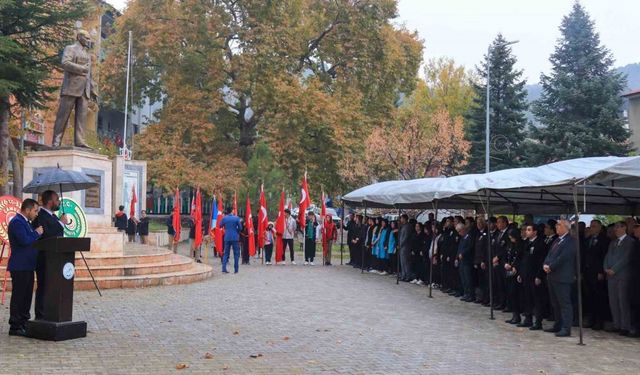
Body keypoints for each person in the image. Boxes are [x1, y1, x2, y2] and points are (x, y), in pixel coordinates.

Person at [7, 199, 43, 336]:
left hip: (28, 265)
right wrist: (36, 233)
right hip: (20, 266)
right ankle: (15, 326)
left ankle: (23, 322)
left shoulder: (26, 223)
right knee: (19, 296)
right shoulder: (17, 222)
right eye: (35, 211)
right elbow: (25, 240)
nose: (36, 214)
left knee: (27, 296)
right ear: (27, 210)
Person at [32, 190, 69, 320]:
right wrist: (61, 223)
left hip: (56, 259)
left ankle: (50, 312)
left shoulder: (53, 216)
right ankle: (41, 315)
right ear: (49, 202)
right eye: (57, 199)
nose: (59, 202)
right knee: (44, 286)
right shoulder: (40, 216)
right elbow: (47, 234)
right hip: (45, 258)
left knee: (52, 287)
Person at [543, 219, 576, 337]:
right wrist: (545, 264)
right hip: (552, 276)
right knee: (555, 303)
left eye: (559, 225)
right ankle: (558, 324)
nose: (556, 227)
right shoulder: (557, 240)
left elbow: (563, 257)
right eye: (556, 225)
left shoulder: (570, 241)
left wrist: (551, 266)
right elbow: (549, 255)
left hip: (562, 277)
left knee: (564, 303)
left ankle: (566, 328)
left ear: (566, 227)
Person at [603, 221, 635, 336]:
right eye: (615, 227)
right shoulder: (613, 242)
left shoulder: (630, 242)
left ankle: (625, 326)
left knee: (623, 301)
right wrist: (606, 267)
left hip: (622, 275)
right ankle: (616, 324)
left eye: (617, 227)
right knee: (613, 301)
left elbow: (626, 258)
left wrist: (614, 269)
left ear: (624, 228)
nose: (615, 230)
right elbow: (607, 256)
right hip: (611, 276)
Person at [519, 223, 548, 330]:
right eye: (526, 230)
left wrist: (539, 276)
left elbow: (542, 261)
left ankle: (538, 321)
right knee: (527, 298)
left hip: (535, 275)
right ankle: (528, 318)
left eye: (529, 230)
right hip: (526, 274)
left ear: (535, 232)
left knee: (537, 299)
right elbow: (523, 260)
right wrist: (520, 274)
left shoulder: (541, 244)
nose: (527, 231)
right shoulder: (526, 243)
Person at [583, 220, 610, 330]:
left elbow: (604, 256)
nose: (592, 228)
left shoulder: (604, 240)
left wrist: (601, 271)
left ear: (599, 227)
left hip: (597, 272)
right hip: (588, 272)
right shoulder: (588, 240)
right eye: (591, 226)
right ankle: (592, 319)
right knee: (590, 297)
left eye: (594, 226)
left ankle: (599, 321)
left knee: (599, 297)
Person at [504, 228, 524, 324]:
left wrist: (515, 267)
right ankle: (514, 315)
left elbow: (521, 258)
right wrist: (505, 264)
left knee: (515, 294)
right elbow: (506, 255)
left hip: (516, 272)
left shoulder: (521, 244)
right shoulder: (510, 245)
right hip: (509, 270)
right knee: (510, 294)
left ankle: (517, 315)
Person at [220, 207, 243, 274]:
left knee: (226, 253)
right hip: (235, 237)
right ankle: (236, 269)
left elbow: (220, 225)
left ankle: (224, 268)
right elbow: (240, 228)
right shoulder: (236, 218)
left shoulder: (224, 218)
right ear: (232, 211)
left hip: (227, 237)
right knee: (236, 254)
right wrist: (237, 232)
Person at [398, 214, 413, 282]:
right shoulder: (403, 226)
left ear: (404, 219)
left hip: (406, 247)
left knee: (406, 262)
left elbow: (406, 237)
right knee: (402, 262)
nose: (400, 220)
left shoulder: (408, 226)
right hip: (402, 247)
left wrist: (401, 244)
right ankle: (403, 275)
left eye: (401, 218)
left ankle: (408, 276)